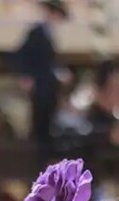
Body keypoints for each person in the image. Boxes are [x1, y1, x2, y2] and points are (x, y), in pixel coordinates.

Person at [13, 0, 71, 169]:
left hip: (49, 85)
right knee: (41, 123)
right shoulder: (37, 32)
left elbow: (49, 62)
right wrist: (25, 76)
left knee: (48, 123)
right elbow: (22, 55)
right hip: (41, 86)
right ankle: (39, 161)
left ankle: (45, 159)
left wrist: (60, 73)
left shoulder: (49, 34)